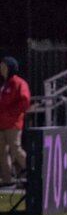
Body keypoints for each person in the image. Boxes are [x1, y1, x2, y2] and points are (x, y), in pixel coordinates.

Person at [0, 57, 29, 186]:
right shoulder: (4, 84)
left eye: (4, 66)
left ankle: (35, 171)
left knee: (16, 149)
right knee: (2, 152)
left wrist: (11, 114)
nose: (1, 69)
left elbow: (24, 101)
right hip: (2, 124)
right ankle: (7, 180)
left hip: (13, 124)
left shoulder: (19, 83)